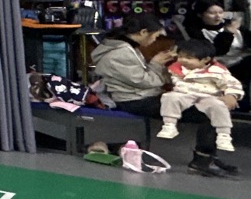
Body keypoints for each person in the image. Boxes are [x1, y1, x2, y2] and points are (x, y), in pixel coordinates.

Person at [91, 12, 236, 178]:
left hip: (142, 95)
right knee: (210, 112)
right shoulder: (119, 53)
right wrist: (156, 63)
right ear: (143, 32)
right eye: (155, 36)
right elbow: (146, 81)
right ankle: (202, 161)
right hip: (135, 100)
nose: (155, 40)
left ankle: (210, 158)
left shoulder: (123, 47)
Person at [158, 38, 242, 153]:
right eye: (180, 56)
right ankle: (169, 124)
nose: (183, 60)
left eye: (189, 58)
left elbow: (232, 84)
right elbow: (166, 79)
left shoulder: (217, 71)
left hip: (209, 96)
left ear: (206, 59)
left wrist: (232, 95)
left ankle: (224, 135)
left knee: (219, 107)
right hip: (184, 94)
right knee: (169, 97)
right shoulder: (175, 68)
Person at [183, 0, 245, 73]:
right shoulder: (195, 32)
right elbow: (216, 52)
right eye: (212, 13)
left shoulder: (231, 25)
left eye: (221, 12)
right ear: (200, 14)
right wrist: (227, 34)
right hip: (216, 67)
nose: (218, 16)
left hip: (240, 62)